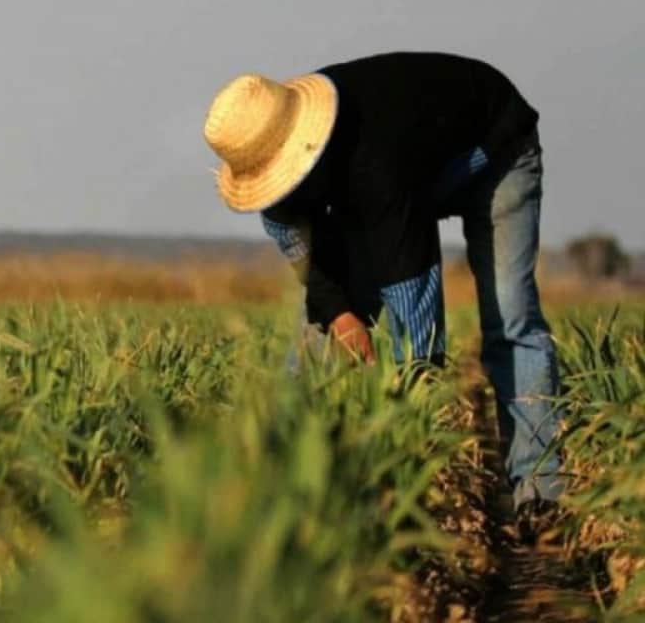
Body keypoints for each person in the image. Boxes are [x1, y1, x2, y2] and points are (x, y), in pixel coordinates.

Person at [201, 52, 562, 538]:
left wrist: (411, 423)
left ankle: (538, 493)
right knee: (316, 340)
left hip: (492, 150)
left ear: (305, 151)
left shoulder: (374, 164)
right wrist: (343, 319)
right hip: (406, 174)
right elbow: (313, 269)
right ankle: (283, 488)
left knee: (509, 315)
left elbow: (417, 312)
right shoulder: (278, 192)